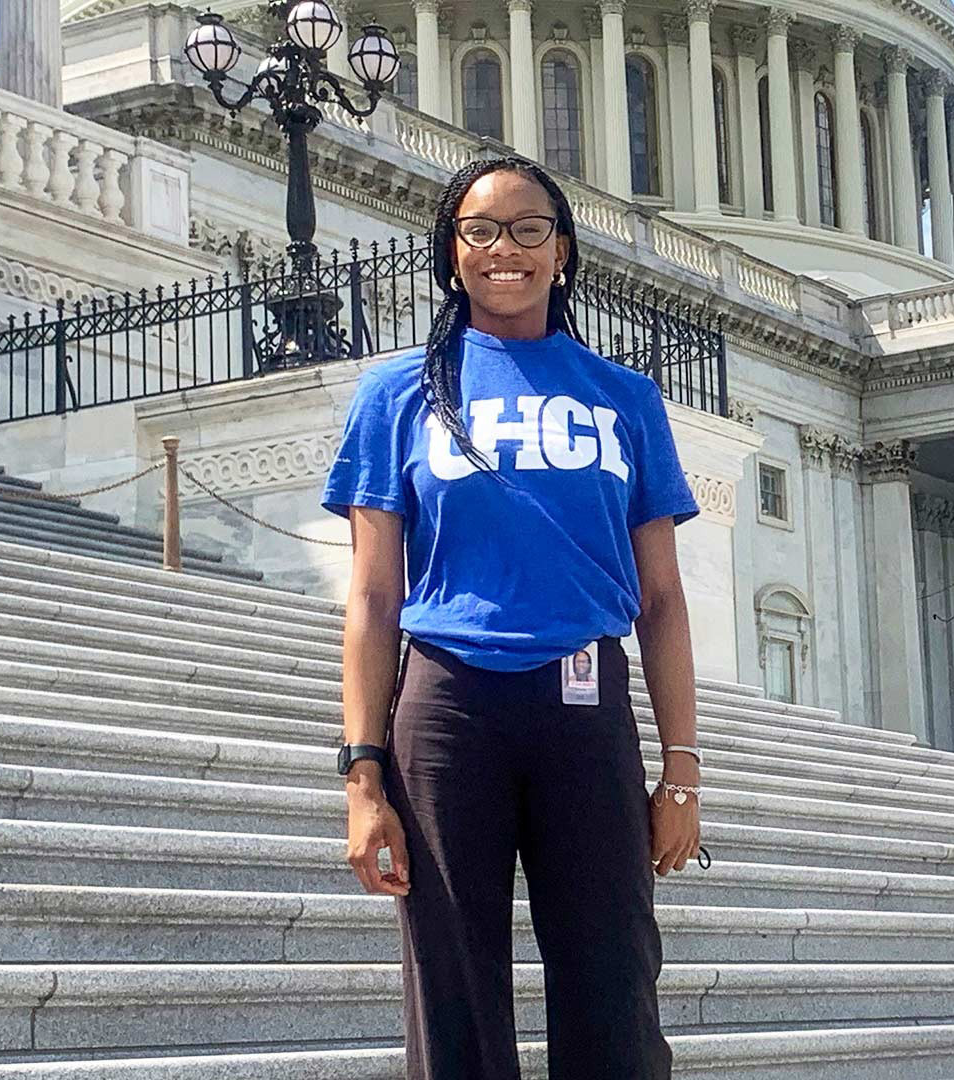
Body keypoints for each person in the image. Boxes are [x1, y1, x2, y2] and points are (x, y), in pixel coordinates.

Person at [322, 156, 704, 1080]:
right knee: (453, 984)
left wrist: (681, 772)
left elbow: (661, 599)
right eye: (481, 231)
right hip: (448, 704)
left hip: (584, 699)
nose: (506, 250)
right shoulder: (398, 397)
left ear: (562, 252)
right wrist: (361, 776)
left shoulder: (627, 399)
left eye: (529, 229)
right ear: (452, 256)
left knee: (614, 981)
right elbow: (374, 597)